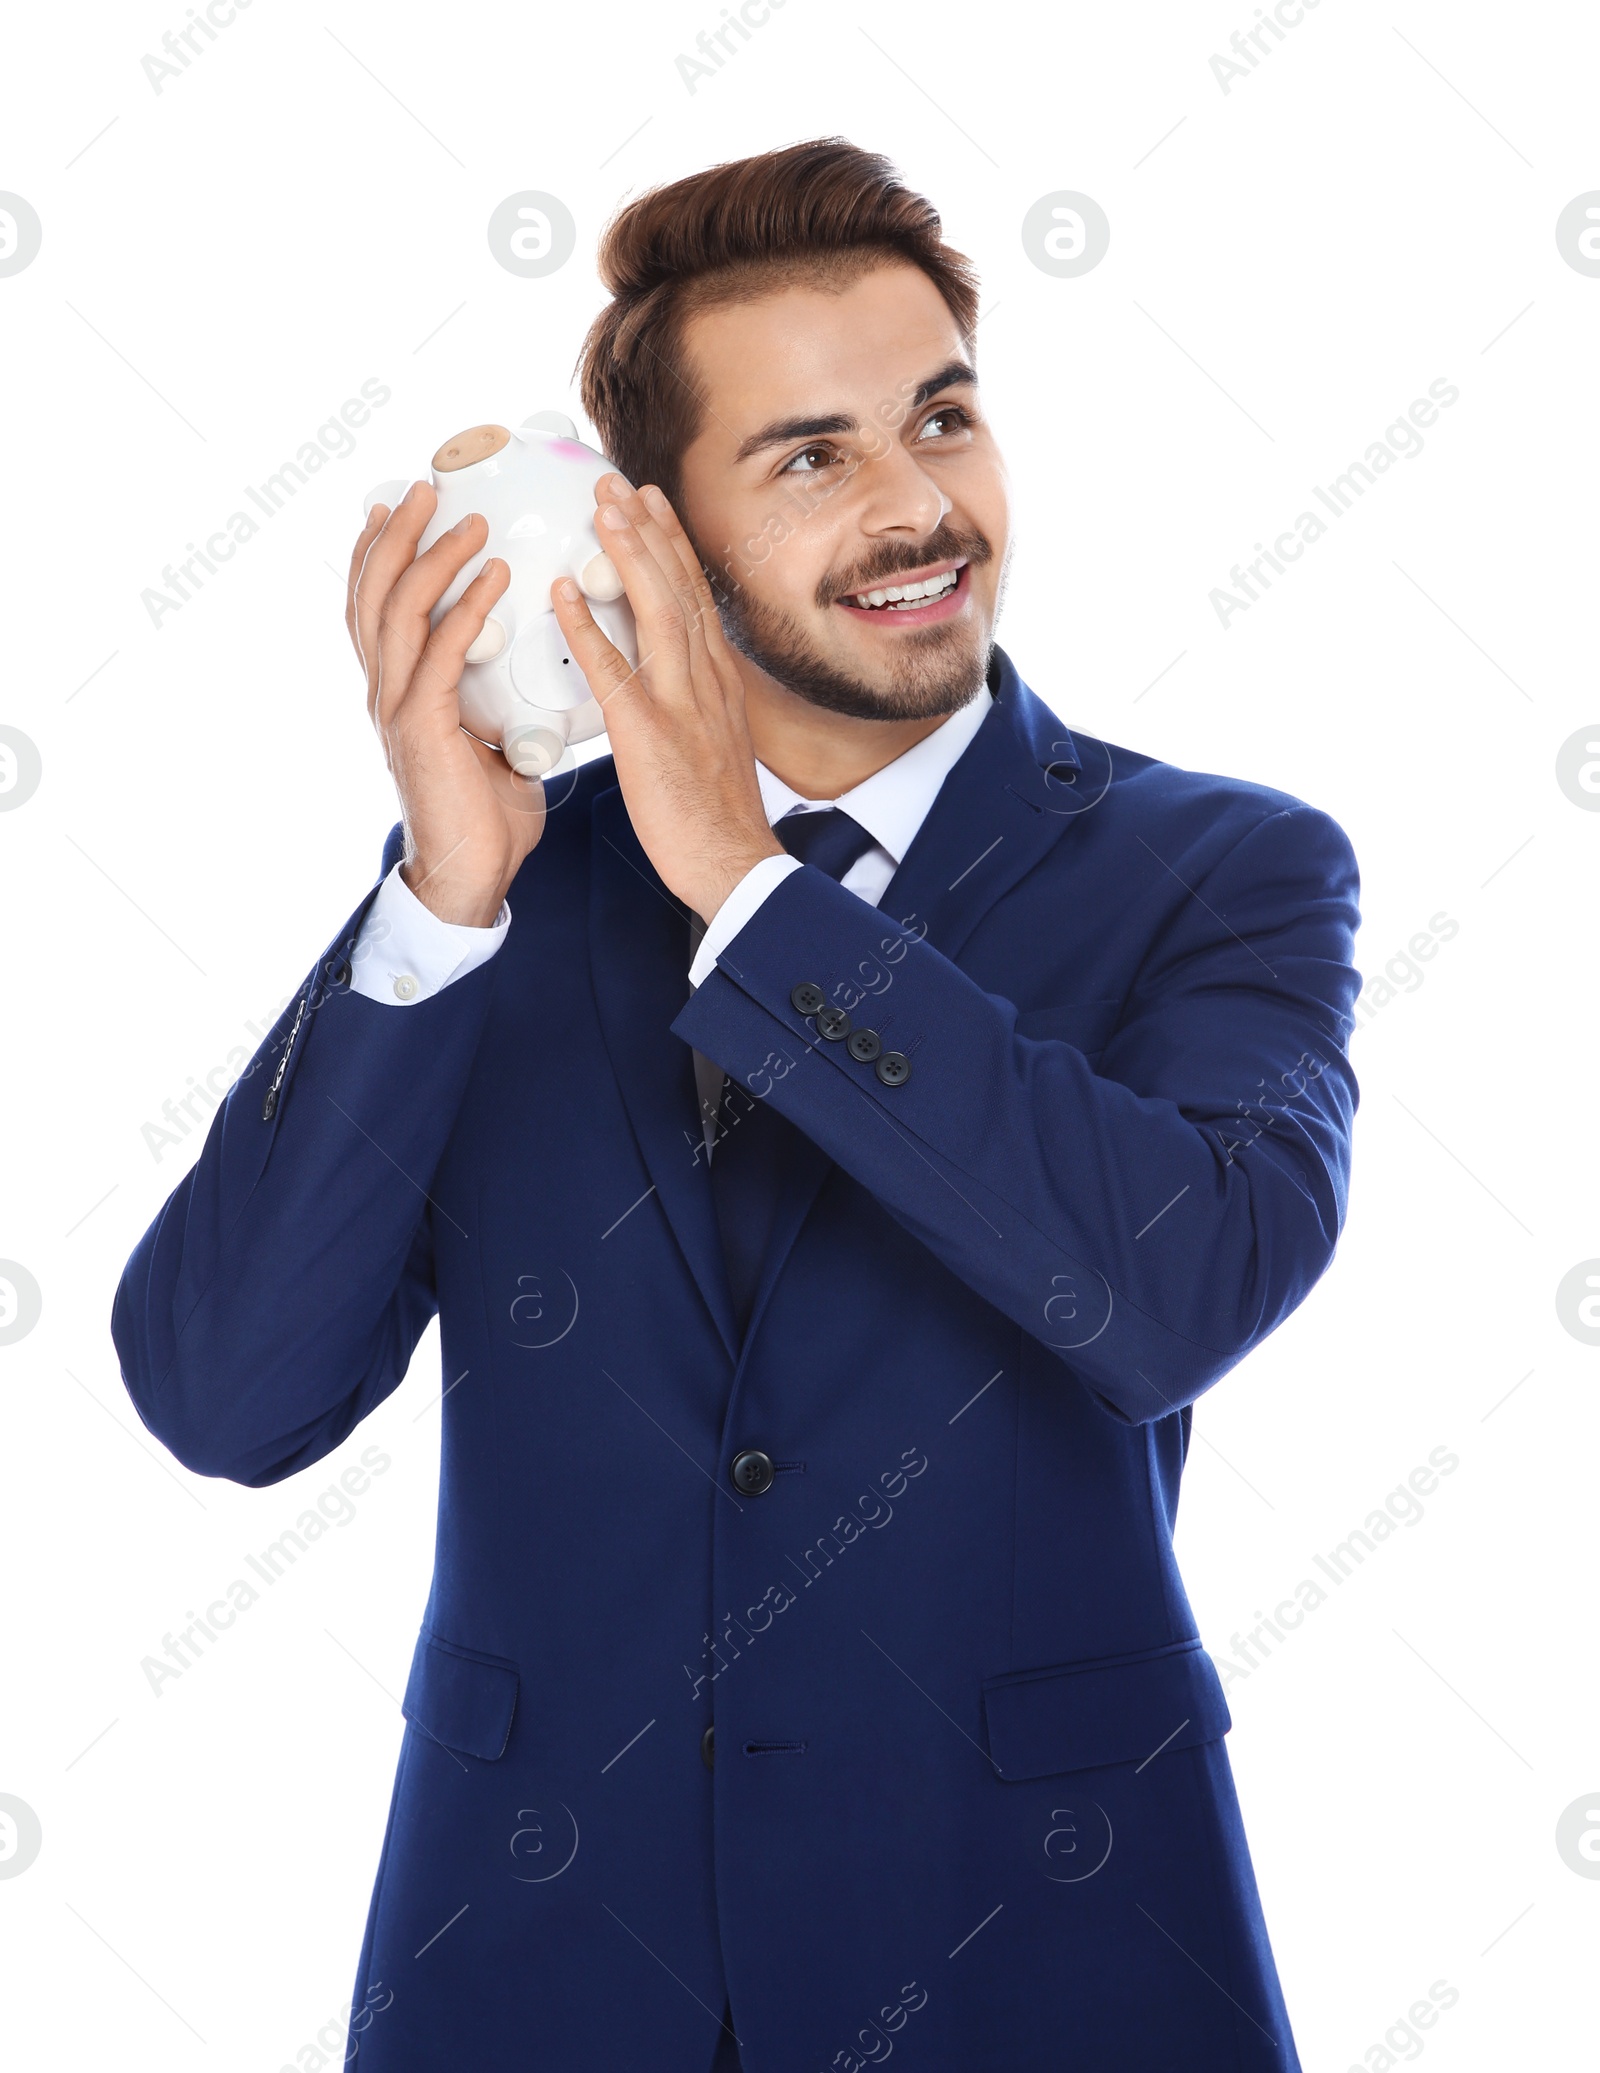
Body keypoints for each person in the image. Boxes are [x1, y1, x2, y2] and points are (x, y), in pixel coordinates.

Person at [113, 136, 1360, 2072]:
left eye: (937, 416)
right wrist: (438, 901)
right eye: (810, 454)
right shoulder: (500, 888)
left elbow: (1173, 1286)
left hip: (1039, 1947)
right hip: (538, 1963)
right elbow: (225, 1394)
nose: (915, 502)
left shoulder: (1219, 867)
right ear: (658, 541)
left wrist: (747, 890)